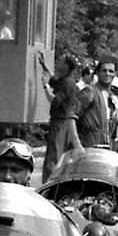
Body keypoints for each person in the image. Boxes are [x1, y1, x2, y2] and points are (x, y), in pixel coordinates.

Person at [42, 53, 84, 183]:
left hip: (61, 122)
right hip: (65, 121)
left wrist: (45, 86)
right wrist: (43, 65)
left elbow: (54, 100)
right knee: (67, 155)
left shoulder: (67, 83)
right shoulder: (65, 80)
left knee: (54, 156)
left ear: (66, 65)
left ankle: (48, 186)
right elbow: (52, 79)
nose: (57, 62)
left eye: (60, 60)